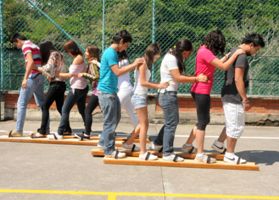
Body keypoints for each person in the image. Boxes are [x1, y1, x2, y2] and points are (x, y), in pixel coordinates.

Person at [181, 30, 245, 163]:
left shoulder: (204, 49)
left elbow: (215, 64)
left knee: (202, 120)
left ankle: (187, 145)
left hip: (199, 90)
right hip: (201, 90)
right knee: (202, 123)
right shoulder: (205, 52)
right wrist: (236, 54)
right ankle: (200, 154)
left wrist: (228, 55)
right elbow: (223, 66)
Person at [211, 33, 265, 164]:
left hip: (228, 94)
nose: (255, 52)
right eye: (256, 49)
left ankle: (218, 144)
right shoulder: (241, 56)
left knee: (231, 123)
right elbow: (238, 78)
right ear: (251, 45)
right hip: (233, 96)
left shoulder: (234, 50)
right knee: (236, 127)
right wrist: (244, 98)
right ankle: (229, 155)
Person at [150, 39, 208, 162]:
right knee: (172, 123)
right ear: (184, 51)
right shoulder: (171, 58)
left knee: (170, 122)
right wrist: (197, 79)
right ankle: (167, 153)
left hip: (168, 93)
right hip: (167, 94)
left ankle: (157, 144)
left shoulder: (172, 56)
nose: (188, 56)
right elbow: (178, 77)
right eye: (188, 53)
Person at [97, 30, 143, 158]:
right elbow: (117, 72)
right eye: (126, 45)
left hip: (111, 91)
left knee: (115, 118)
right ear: (121, 42)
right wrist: (134, 65)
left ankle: (102, 143)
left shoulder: (112, 52)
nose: (125, 48)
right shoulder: (111, 53)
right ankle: (109, 151)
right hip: (106, 92)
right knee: (110, 122)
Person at [131, 43, 169, 160]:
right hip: (139, 96)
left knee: (141, 124)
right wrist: (159, 85)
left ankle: (127, 144)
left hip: (140, 95)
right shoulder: (142, 63)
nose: (157, 58)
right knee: (144, 125)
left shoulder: (144, 63)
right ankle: (143, 152)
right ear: (152, 53)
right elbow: (142, 82)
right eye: (157, 56)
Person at [9, 33, 45, 137]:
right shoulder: (35, 45)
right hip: (39, 76)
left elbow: (30, 62)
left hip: (32, 77)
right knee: (42, 104)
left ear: (18, 40)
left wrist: (25, 78)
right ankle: (45, 128)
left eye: (16, 44)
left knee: (21, 103)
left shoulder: (26, 46)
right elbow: (36, 63)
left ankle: (18, 130)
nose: (17, 46)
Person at [30, 41, 68, 138]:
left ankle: (42, 131)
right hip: (61, 84)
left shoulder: (53, 54)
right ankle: (67, 129)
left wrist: (37, 68)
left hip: (55, 84)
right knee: (60, 108)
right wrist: (48, 74)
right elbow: (57, 70)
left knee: (44, 106)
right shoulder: (60, 54)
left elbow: (48, 67)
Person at [52, 40, 88, 139]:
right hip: (81, 87)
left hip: (77, 87)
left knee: (65, 109)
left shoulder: (78, 58)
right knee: (82, 110)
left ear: (71, 50)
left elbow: (71, 74)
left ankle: (60, 132)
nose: (67, 53)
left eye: (67, 50)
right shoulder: (79, 57)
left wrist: (57, 74)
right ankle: (88, 130)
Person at [74, 45, 101, 140]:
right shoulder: (95, 62)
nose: (85, 53)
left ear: (91, 54)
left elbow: (96, 76)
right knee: (106, 112)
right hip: (99, 90)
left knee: (87, 111)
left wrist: (83, 74)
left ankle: (87, 134)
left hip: (98, 91)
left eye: (86, 52)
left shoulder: (93, 64)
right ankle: (109, 132)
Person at [117, 50, 140, 150]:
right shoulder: (124, 60)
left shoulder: (119, 62)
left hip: (124, 89)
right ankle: (138, 131)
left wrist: (97, 63)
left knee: (114, 112)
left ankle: (107, 134)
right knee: (131, 112)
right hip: (126, 88)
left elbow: (114, 71)